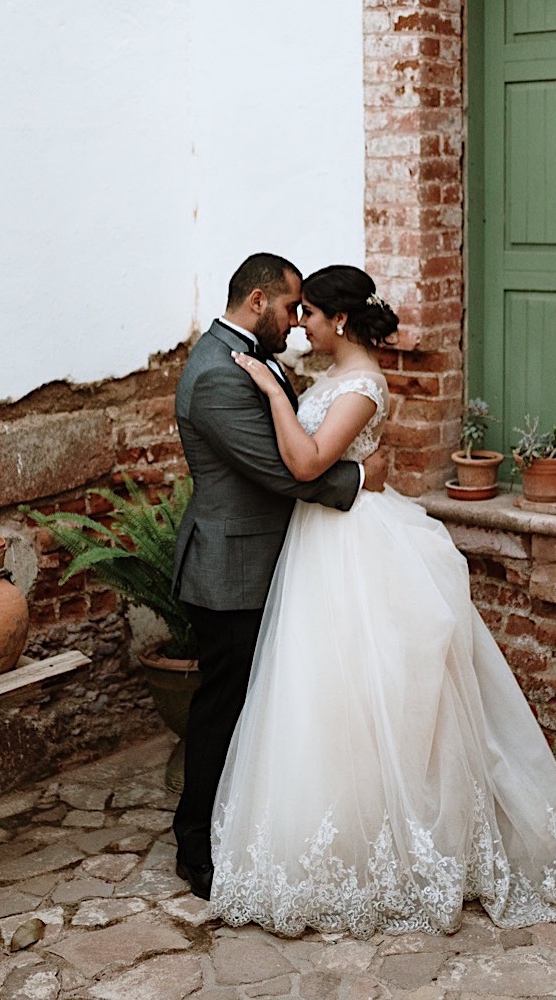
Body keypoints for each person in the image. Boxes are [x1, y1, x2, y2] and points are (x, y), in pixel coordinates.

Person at [211, 264, 556, 937]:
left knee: (377, 690)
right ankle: (338, 835)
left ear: (339, 320)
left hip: (355, 546)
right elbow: (345, 466)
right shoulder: (328, 377)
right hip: (323, 542)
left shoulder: (364, 385)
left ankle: (402, 844)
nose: (299, 325)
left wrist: (269, 393)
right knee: (326, 694)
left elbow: (307, 463)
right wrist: (311, 421)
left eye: (309, 314)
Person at [170, 252, 389, 900]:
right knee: (223, 709)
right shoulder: (217, 372)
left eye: (307, 311)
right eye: (291, 308)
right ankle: (197, 848)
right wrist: (358, 478)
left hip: (276, 558)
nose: (296, 323)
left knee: (266, 706)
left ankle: (249, 828)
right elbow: (275, 467)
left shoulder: (249, 355)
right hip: (230, 567)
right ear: (259, 301)